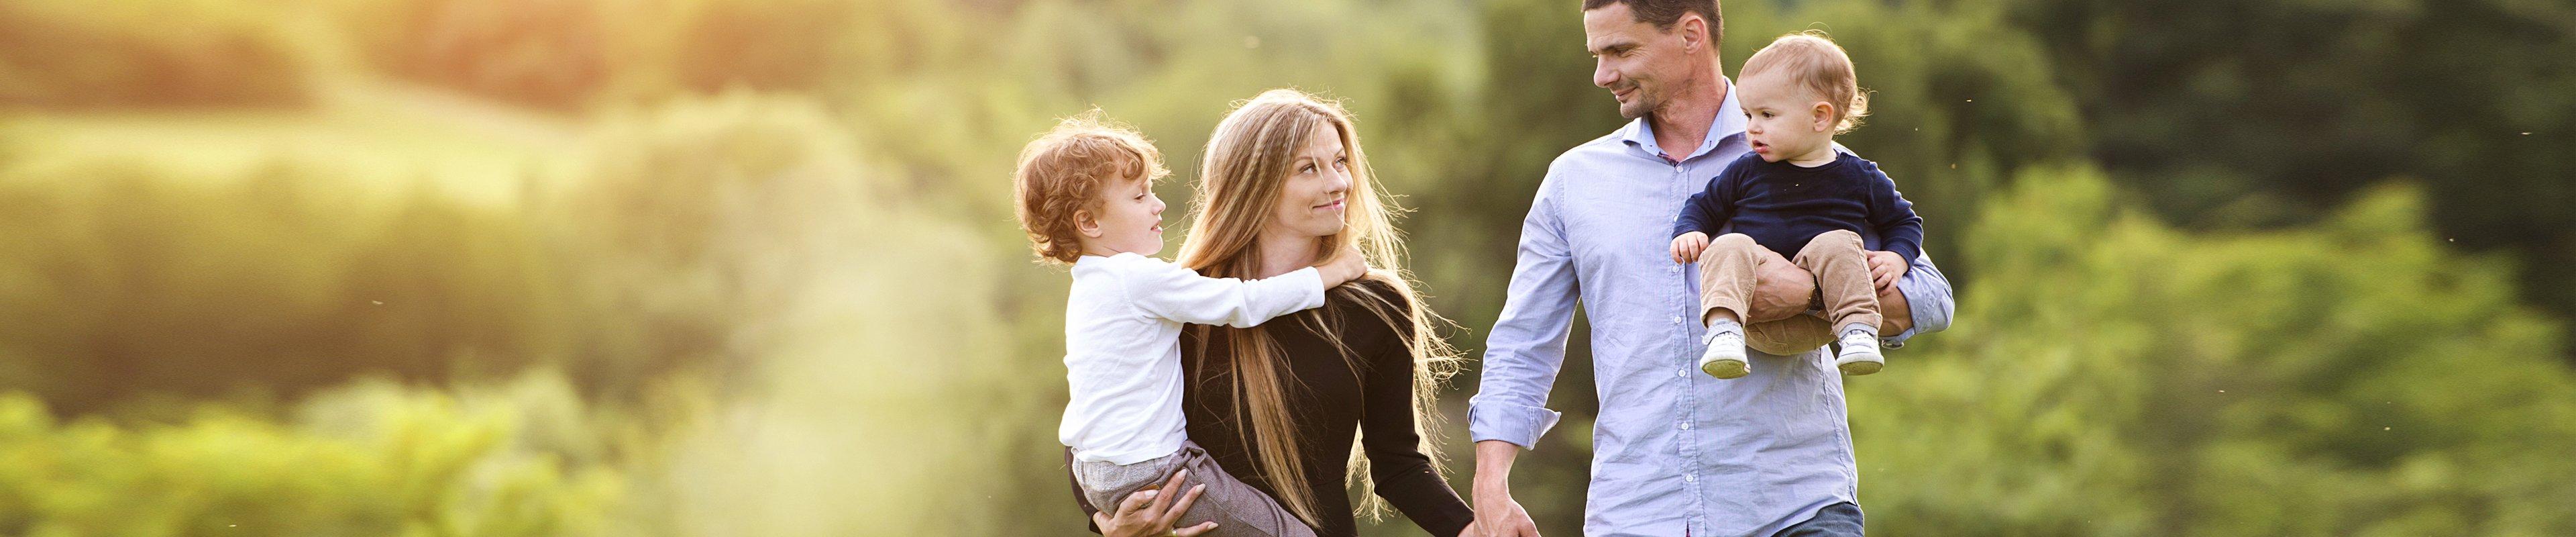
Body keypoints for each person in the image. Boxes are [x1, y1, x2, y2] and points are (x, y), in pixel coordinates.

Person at [1466, 1, 1956, 536]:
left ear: (1691, 35)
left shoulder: (1811, 156)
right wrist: (1491, 484)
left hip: (1793, 510)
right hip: (1635, 515)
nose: (1602, 74)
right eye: (1597, 54)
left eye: (1620, 51)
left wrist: (1811, 293)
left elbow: (1931, 298)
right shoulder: (1573, 181)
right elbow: (1523, 340)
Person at [1079, 89, 1479, 537]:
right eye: (1309, 168)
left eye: (1340, 162)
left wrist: (1479, 530)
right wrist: (1113, 529)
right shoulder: (1185, 302)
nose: (1338, 184)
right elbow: (1101, 435)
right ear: (1254, 185)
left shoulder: (1376, 306)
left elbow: (1399, 466)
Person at [1014, 111, 1370, 537]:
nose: (1158, 204)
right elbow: (1242, 302)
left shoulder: (1090, 286)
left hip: (1098, 473)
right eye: (1139, 196)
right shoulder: (1138, 279)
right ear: (1090, 223)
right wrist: (1330, 273)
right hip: (1154, 470)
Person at [1669, 32, 1922, 379]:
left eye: (1767, 115)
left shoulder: (1860, 176)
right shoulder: (1747, 170)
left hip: (1826, 323)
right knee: (1729, 245)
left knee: (1839, 242)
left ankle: (1859, 333)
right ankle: (1723, 332)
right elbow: (1703, 205)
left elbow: (1904, 223)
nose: (1752, 129)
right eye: (1747, 115)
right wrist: (1689, 231)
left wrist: (1897, 258)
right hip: (1754, 317)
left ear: (1820, 117)